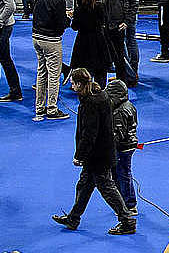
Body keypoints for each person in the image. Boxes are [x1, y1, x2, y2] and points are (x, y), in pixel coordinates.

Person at [51, 68, 137, 235]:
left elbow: (89, 133)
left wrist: (79, 156)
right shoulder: (100, 95)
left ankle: (127, 220)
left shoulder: (90, 103)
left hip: (98, 155)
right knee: (84, 185)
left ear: (79, 84)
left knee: (107, 188)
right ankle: (73, 218)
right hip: (101, 152)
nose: (70, 84)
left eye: (72, 82)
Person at [32, 0, 69, 120]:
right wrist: (68, 20)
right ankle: (52, 108)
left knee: (41, 72)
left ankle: (39, 107)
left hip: (36, 37)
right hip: (51, 39)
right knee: (54, 75)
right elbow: (61, 22)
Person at [107, 79, 138, 218]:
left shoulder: (120, 111)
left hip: (122, 148)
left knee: (122, 175)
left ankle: (129, 205)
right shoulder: (129, 105)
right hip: (129, 145)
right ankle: (124, 203)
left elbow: (117, 134)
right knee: (121, 174)